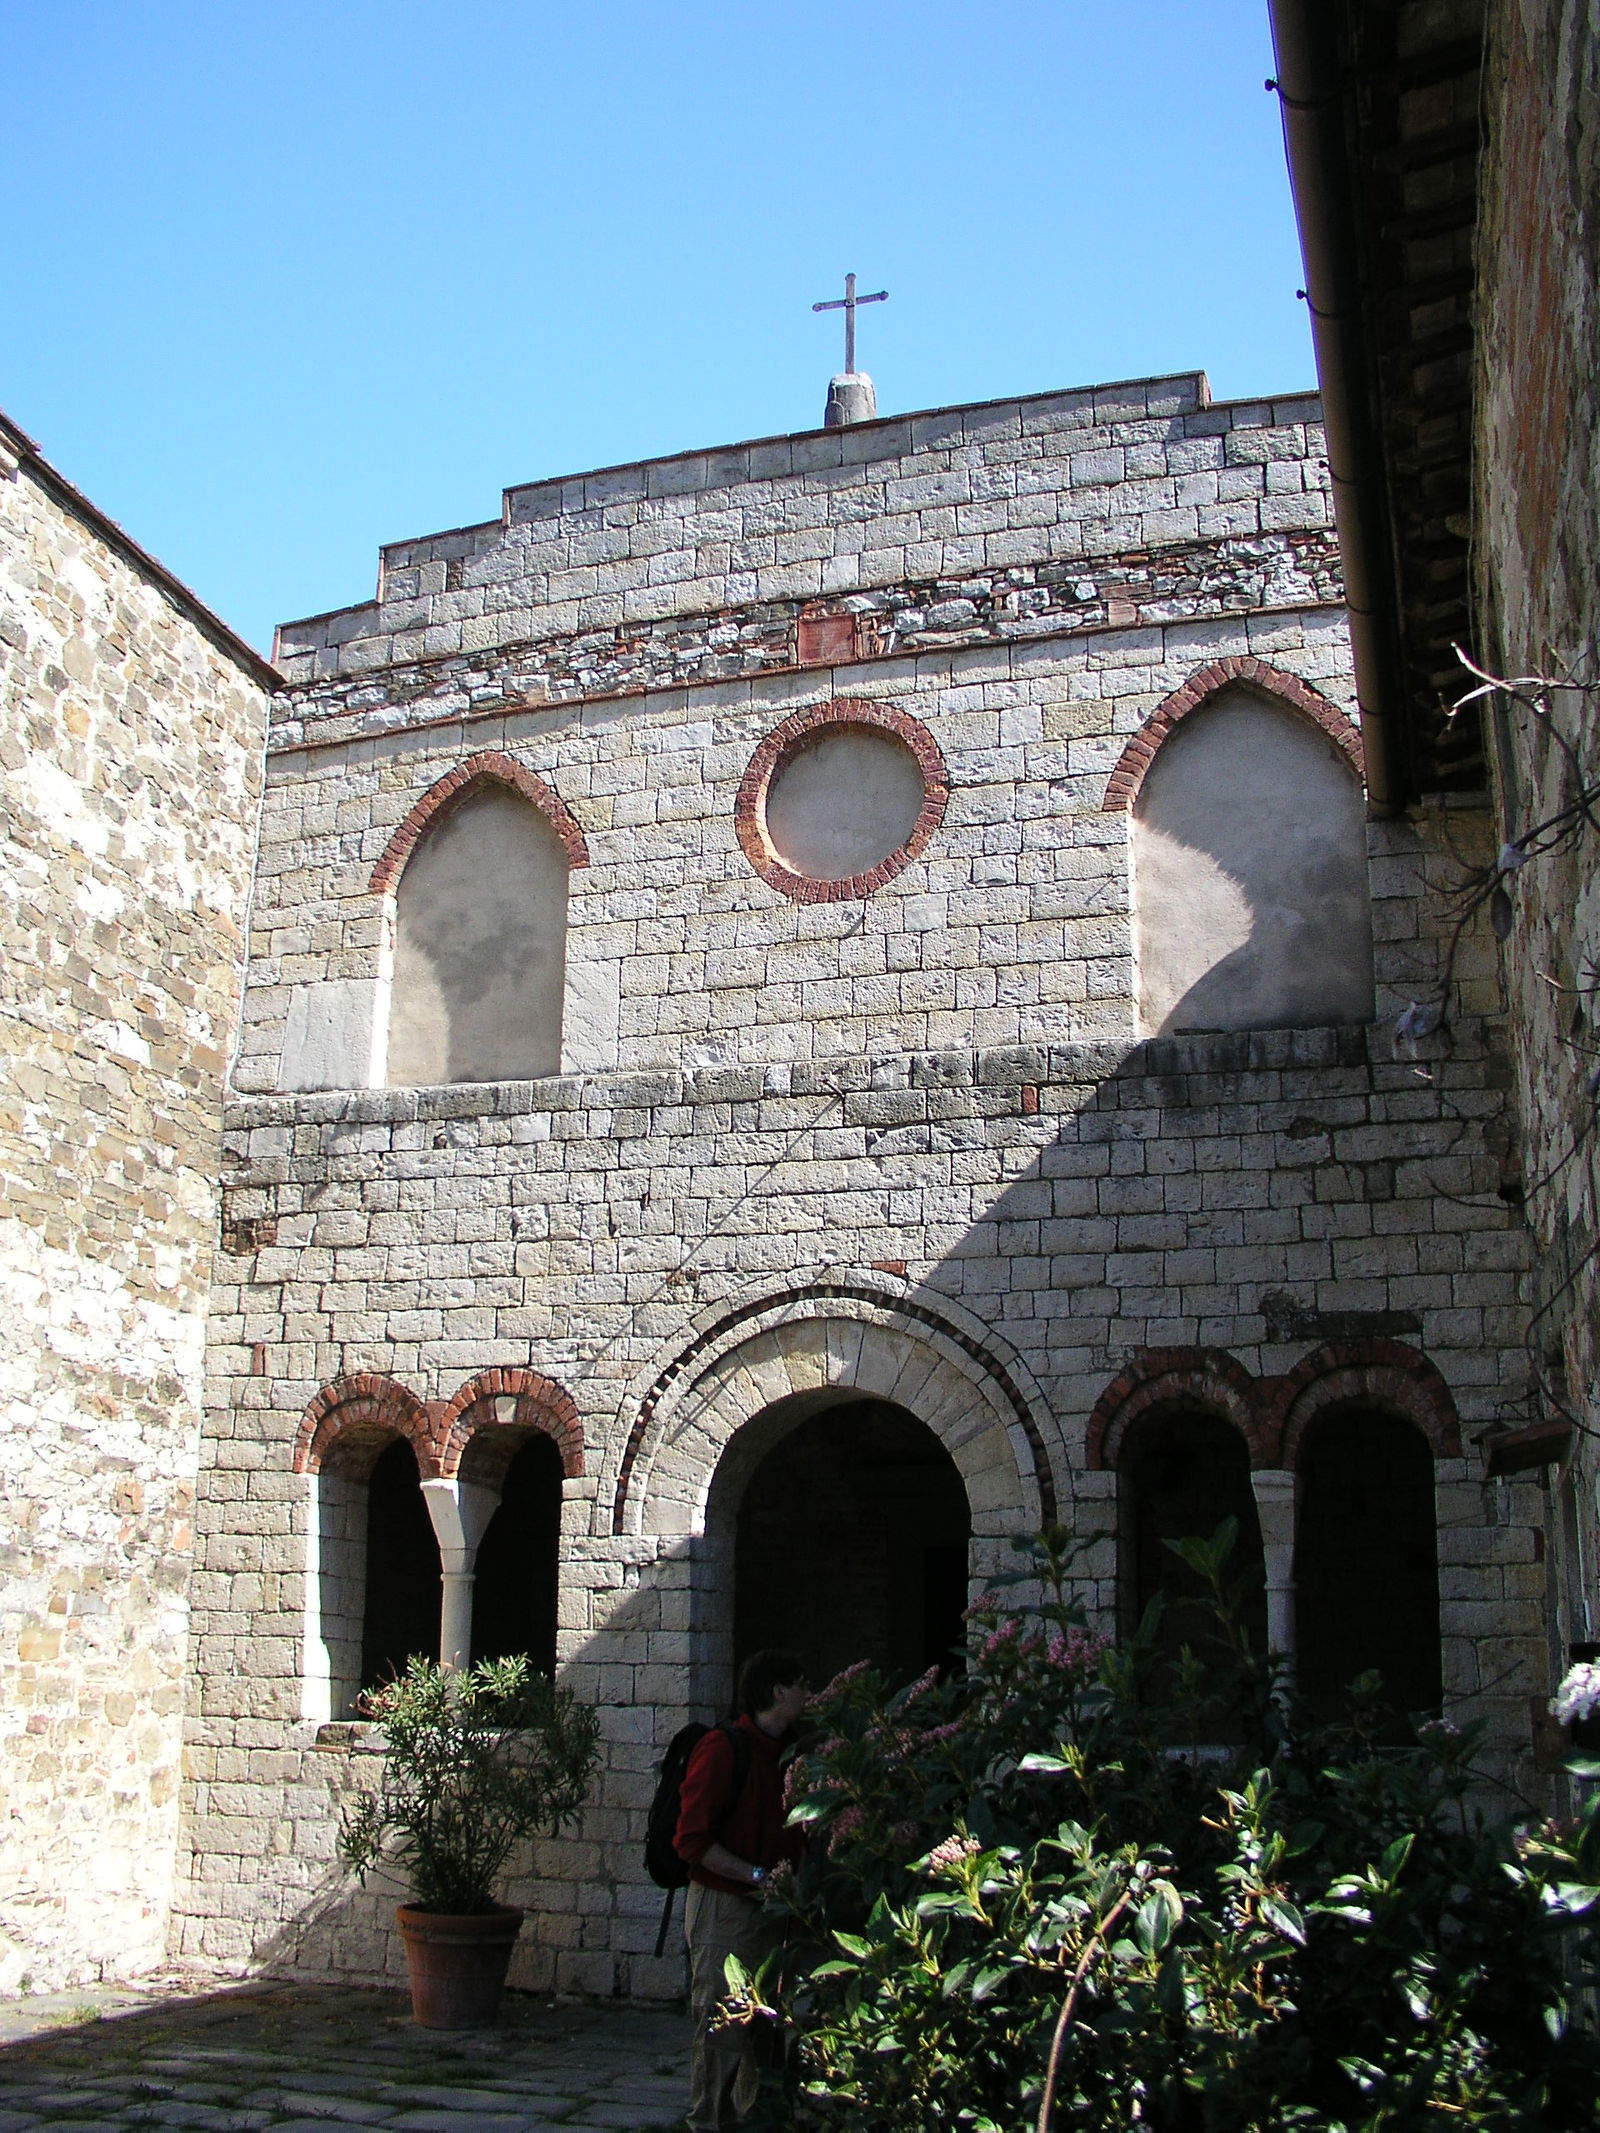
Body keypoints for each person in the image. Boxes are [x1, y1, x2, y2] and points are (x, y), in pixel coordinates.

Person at [674, 1648, 808, 2131]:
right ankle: (708, 2123)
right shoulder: (722, 1748)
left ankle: (749, 2121)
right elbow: (692, 1842)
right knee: (723, 2027)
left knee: (765, 2029)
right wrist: (755, 1876)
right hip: (724, 1908)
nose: (808, 1694)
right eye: (801, 1685)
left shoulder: (791, 1753)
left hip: (774, 1910)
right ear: (778, 1691)